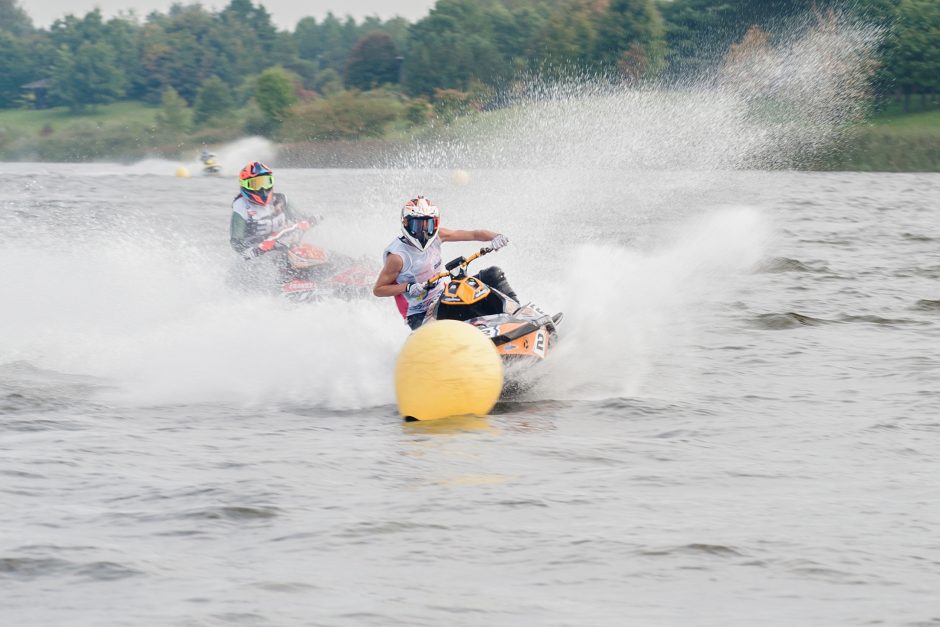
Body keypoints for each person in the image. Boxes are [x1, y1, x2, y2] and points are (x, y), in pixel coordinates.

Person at [373, 196, 517, 330]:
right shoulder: (397, 257)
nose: (423, 231)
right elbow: (378, 289)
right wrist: (408, 287)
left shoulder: (438, 236)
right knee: (454, 313)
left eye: (428, 225)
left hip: (444, 296)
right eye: (418, 226)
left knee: (493, 274)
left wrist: (496, 237)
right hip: (419, 314)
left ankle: (518, 316)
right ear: (406, 223)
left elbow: (474, 234)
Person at [229, 161, 306, 260]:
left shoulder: (281, 200)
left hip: (288, 249)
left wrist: (312, 219)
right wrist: (251, 251)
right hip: (259, 259)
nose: (262, 188)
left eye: (266, 182)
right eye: (255, 184)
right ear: (245, 185)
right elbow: (236, 241)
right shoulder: (241, 206)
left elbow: (301, 218)